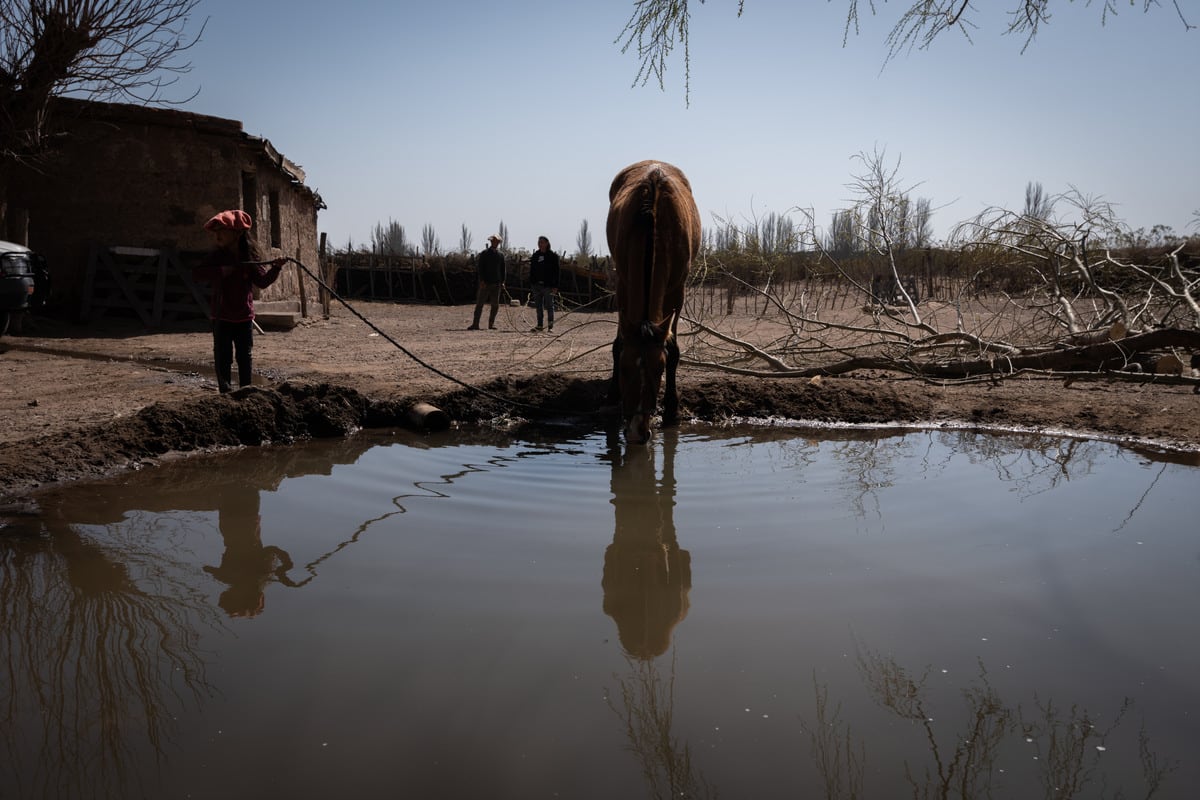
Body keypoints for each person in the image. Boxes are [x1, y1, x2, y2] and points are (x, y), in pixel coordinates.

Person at [193, 209, 286, 393]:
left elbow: (262, 281)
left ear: (237, 233)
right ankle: (225, 392)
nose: (217, 235)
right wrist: (220, 272)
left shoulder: (249, 258)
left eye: (222, 231)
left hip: (244, 317)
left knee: (245, 356)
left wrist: (275, 268)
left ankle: (246, 390)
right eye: (216, 231)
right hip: (221, 317)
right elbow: (197, 274)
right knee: (222, 356)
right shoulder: (217, 257)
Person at [468, 233, 506, 330]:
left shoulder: (501, 255)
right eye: (493, 241)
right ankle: (475, 324)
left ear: (498, 242)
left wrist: (502, 282)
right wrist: (481, 280)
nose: (495, 242)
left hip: (496, 283)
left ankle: (491, 324)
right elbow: (480, 268)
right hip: (485, 283)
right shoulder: (484, 254)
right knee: (479, 304)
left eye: (497, 241)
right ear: (491, 241)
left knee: (495, 305)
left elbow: (503, 270)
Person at [528, 235, 560, 332]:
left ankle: (550, 327)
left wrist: (555, 286)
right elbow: (532, 270)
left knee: (549, 306)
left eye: (542, 242)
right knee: (538, 306)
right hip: (536, 285)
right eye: (539, 242)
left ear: (547, 243)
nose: (540, 244)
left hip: (548, 286)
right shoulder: (535, 256)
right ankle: (540, 325)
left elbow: (557, 272)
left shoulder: (553, 256)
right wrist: (532, 283)